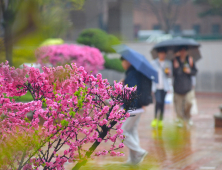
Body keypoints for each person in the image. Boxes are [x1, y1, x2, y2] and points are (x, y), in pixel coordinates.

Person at [120, 56, 148, 165]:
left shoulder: (131, 73)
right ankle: (134, 160)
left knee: (121, 132)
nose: (122, 64)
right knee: (132, 131)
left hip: (132, 107)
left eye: (122, 61)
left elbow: (131, 90)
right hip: (138, 106)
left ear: (127, 61)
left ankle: (139, 152)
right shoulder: (135, 72)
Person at [172, 46, 197, 127]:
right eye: (181, 51)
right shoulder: (175, 60)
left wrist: (189, 71)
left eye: (184, 51)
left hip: (188, 87)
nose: (182, 52)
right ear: (179, 51)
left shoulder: (190, 60)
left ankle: (188, 117)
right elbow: (171, 73)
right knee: (178, 106)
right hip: (177, 87)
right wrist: (175, 68)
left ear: (186, 52)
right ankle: (180, 119)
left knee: (189, 103)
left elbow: (195, 71)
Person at [151, 47, 172, 128]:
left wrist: (168, 72)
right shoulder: (153, 63)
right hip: (156, 86)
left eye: (163, 53)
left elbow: (170, 75)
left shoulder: (168, 63)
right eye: (160, 53)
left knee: (162, 103)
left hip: (164, 86)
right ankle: (155, 118)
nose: (162, 55)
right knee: (158, 102)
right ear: (158, 54)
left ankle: (160, 120)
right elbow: (151, 75)